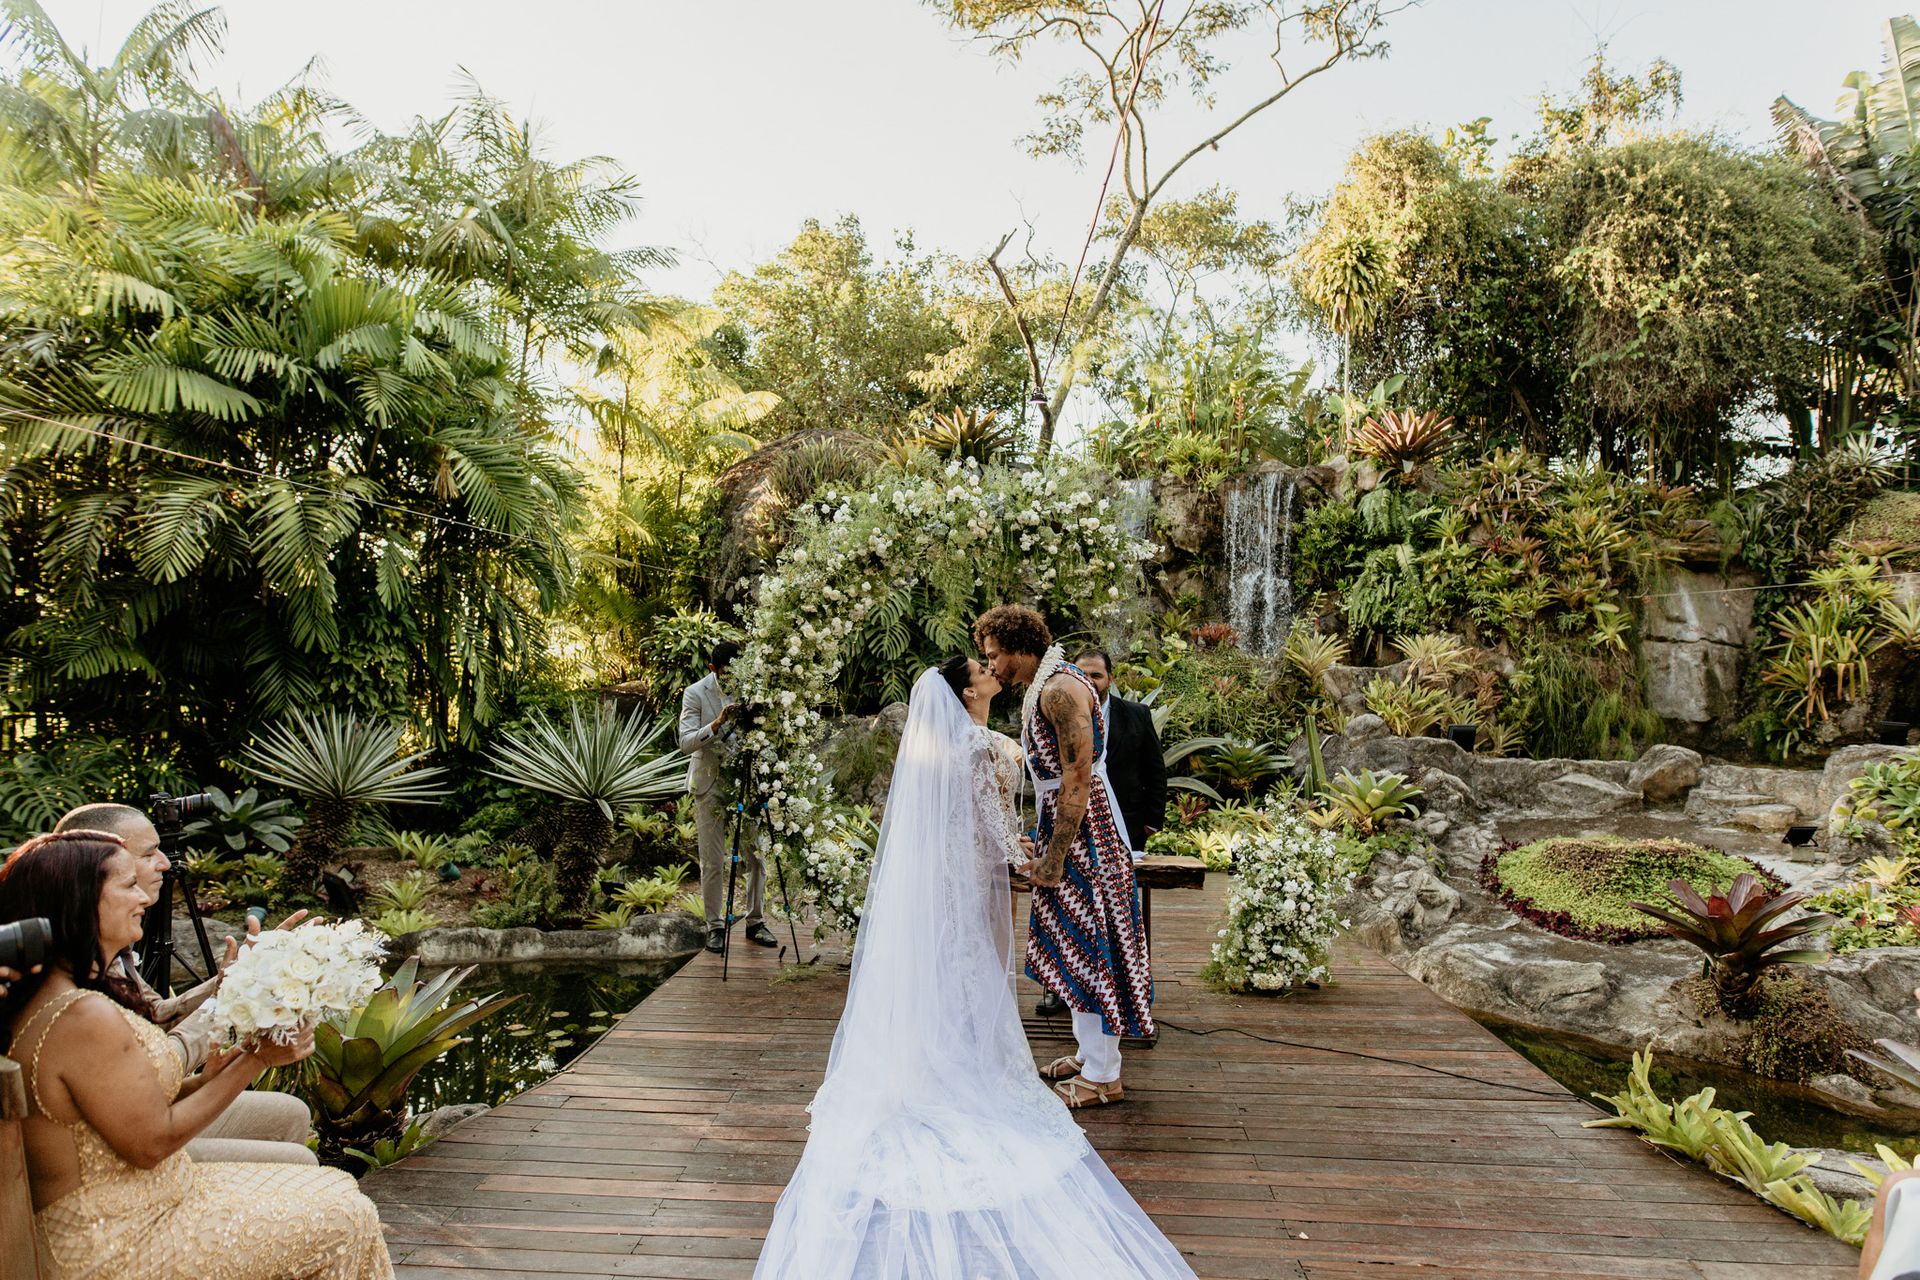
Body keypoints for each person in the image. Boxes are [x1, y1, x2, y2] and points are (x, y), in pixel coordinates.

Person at [752, 662, 1195, 1279]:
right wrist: (1037, 860)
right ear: (968, 692)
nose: (993, 670)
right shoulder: (981, 746)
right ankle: (968, 1064)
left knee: (949, 968)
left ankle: (938, 1054)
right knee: (974, 970)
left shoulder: (937, 747)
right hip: (978, 880)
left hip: (948, 879)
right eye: (983, 668)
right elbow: (995, 824)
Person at [0, 830, 393, 1280]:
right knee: (345, 1215)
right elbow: (152, 1143)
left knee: (335, 1189)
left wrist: (204, 1081)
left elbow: (114, 1107)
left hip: (151, 1197)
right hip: (116, 1241)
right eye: (128, 885)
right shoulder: (80, 1014)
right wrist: (256, 1060)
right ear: (80, 899)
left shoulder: (68, 993)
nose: (145, 897)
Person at [54, 803, 317, 1165]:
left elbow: (156, 1016)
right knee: (298, 1162)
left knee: (291, 1113)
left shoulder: (107, 943)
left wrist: (231, 979)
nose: (166, 863)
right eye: (149, 854)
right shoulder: (72, 966)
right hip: (110, 1144)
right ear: (98, 863)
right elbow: (161, 1060)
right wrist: (230, 1003)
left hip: (142, 1108)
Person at [977, 604, 1155, 1110]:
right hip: (1069, 824)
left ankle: (1105, 1076)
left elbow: (1078, 774)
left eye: (995, 657)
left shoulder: (1058, 690)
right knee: (1074, 941)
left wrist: (1056, 856)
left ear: (1019, 647)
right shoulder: (1050, 684)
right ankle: (1088, 1053)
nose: (991, 668)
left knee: (1095, 940)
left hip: (1087, 833)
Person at [1033, 650, 1166, 1019]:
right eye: (1084, 673)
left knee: (1111, 914)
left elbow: (1155, 768)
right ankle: (1062, 990)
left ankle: (1115, 1001)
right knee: (1072, 914)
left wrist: (1152, 822)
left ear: (1110, 678)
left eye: (1097, 675)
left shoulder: (1135, 715)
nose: (1090, 681)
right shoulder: (1063, 703)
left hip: (1121, 824)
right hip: (1076, 824)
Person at [680, 641, 776, 955]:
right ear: (713, 669)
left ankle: (755, 922)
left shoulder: (750, 689)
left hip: (745, 781)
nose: (733, 680)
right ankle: (715, 927)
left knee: (756, 855)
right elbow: (685, 742)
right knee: (711, 861)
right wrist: (717, 723)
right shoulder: (695, 693)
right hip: (709, 783)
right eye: (726, 674)